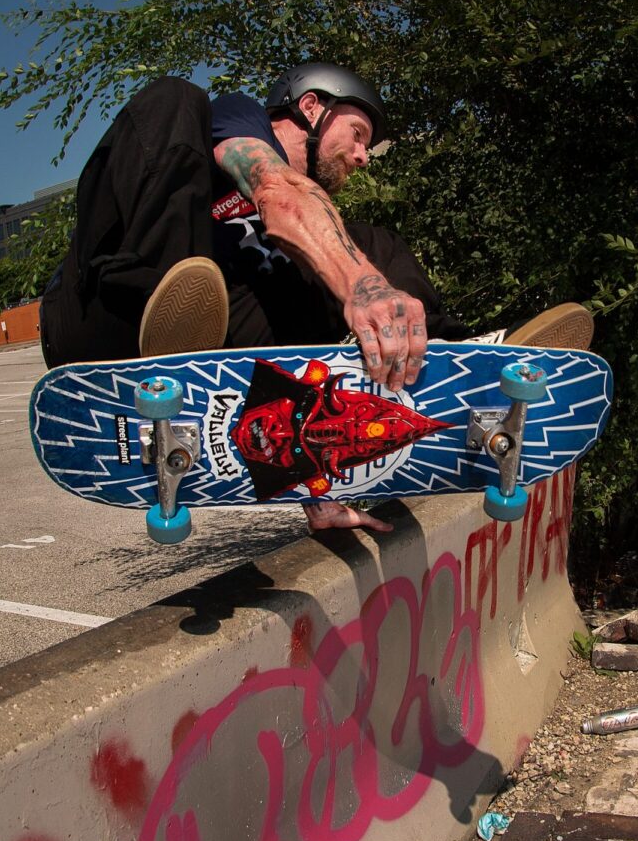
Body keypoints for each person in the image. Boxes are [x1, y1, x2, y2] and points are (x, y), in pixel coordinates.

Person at [39, 62, 591, 531]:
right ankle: (165, 314)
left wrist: (315, 488)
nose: (363, 156)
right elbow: (278, 195)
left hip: (213, 342)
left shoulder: (300, 251)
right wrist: (362, 287)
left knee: (371, 244)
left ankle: (449, 359)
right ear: (309, 108)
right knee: (175, 99)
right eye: (356, 134)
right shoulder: (238, 120)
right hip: (102, 314)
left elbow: (301, 357)